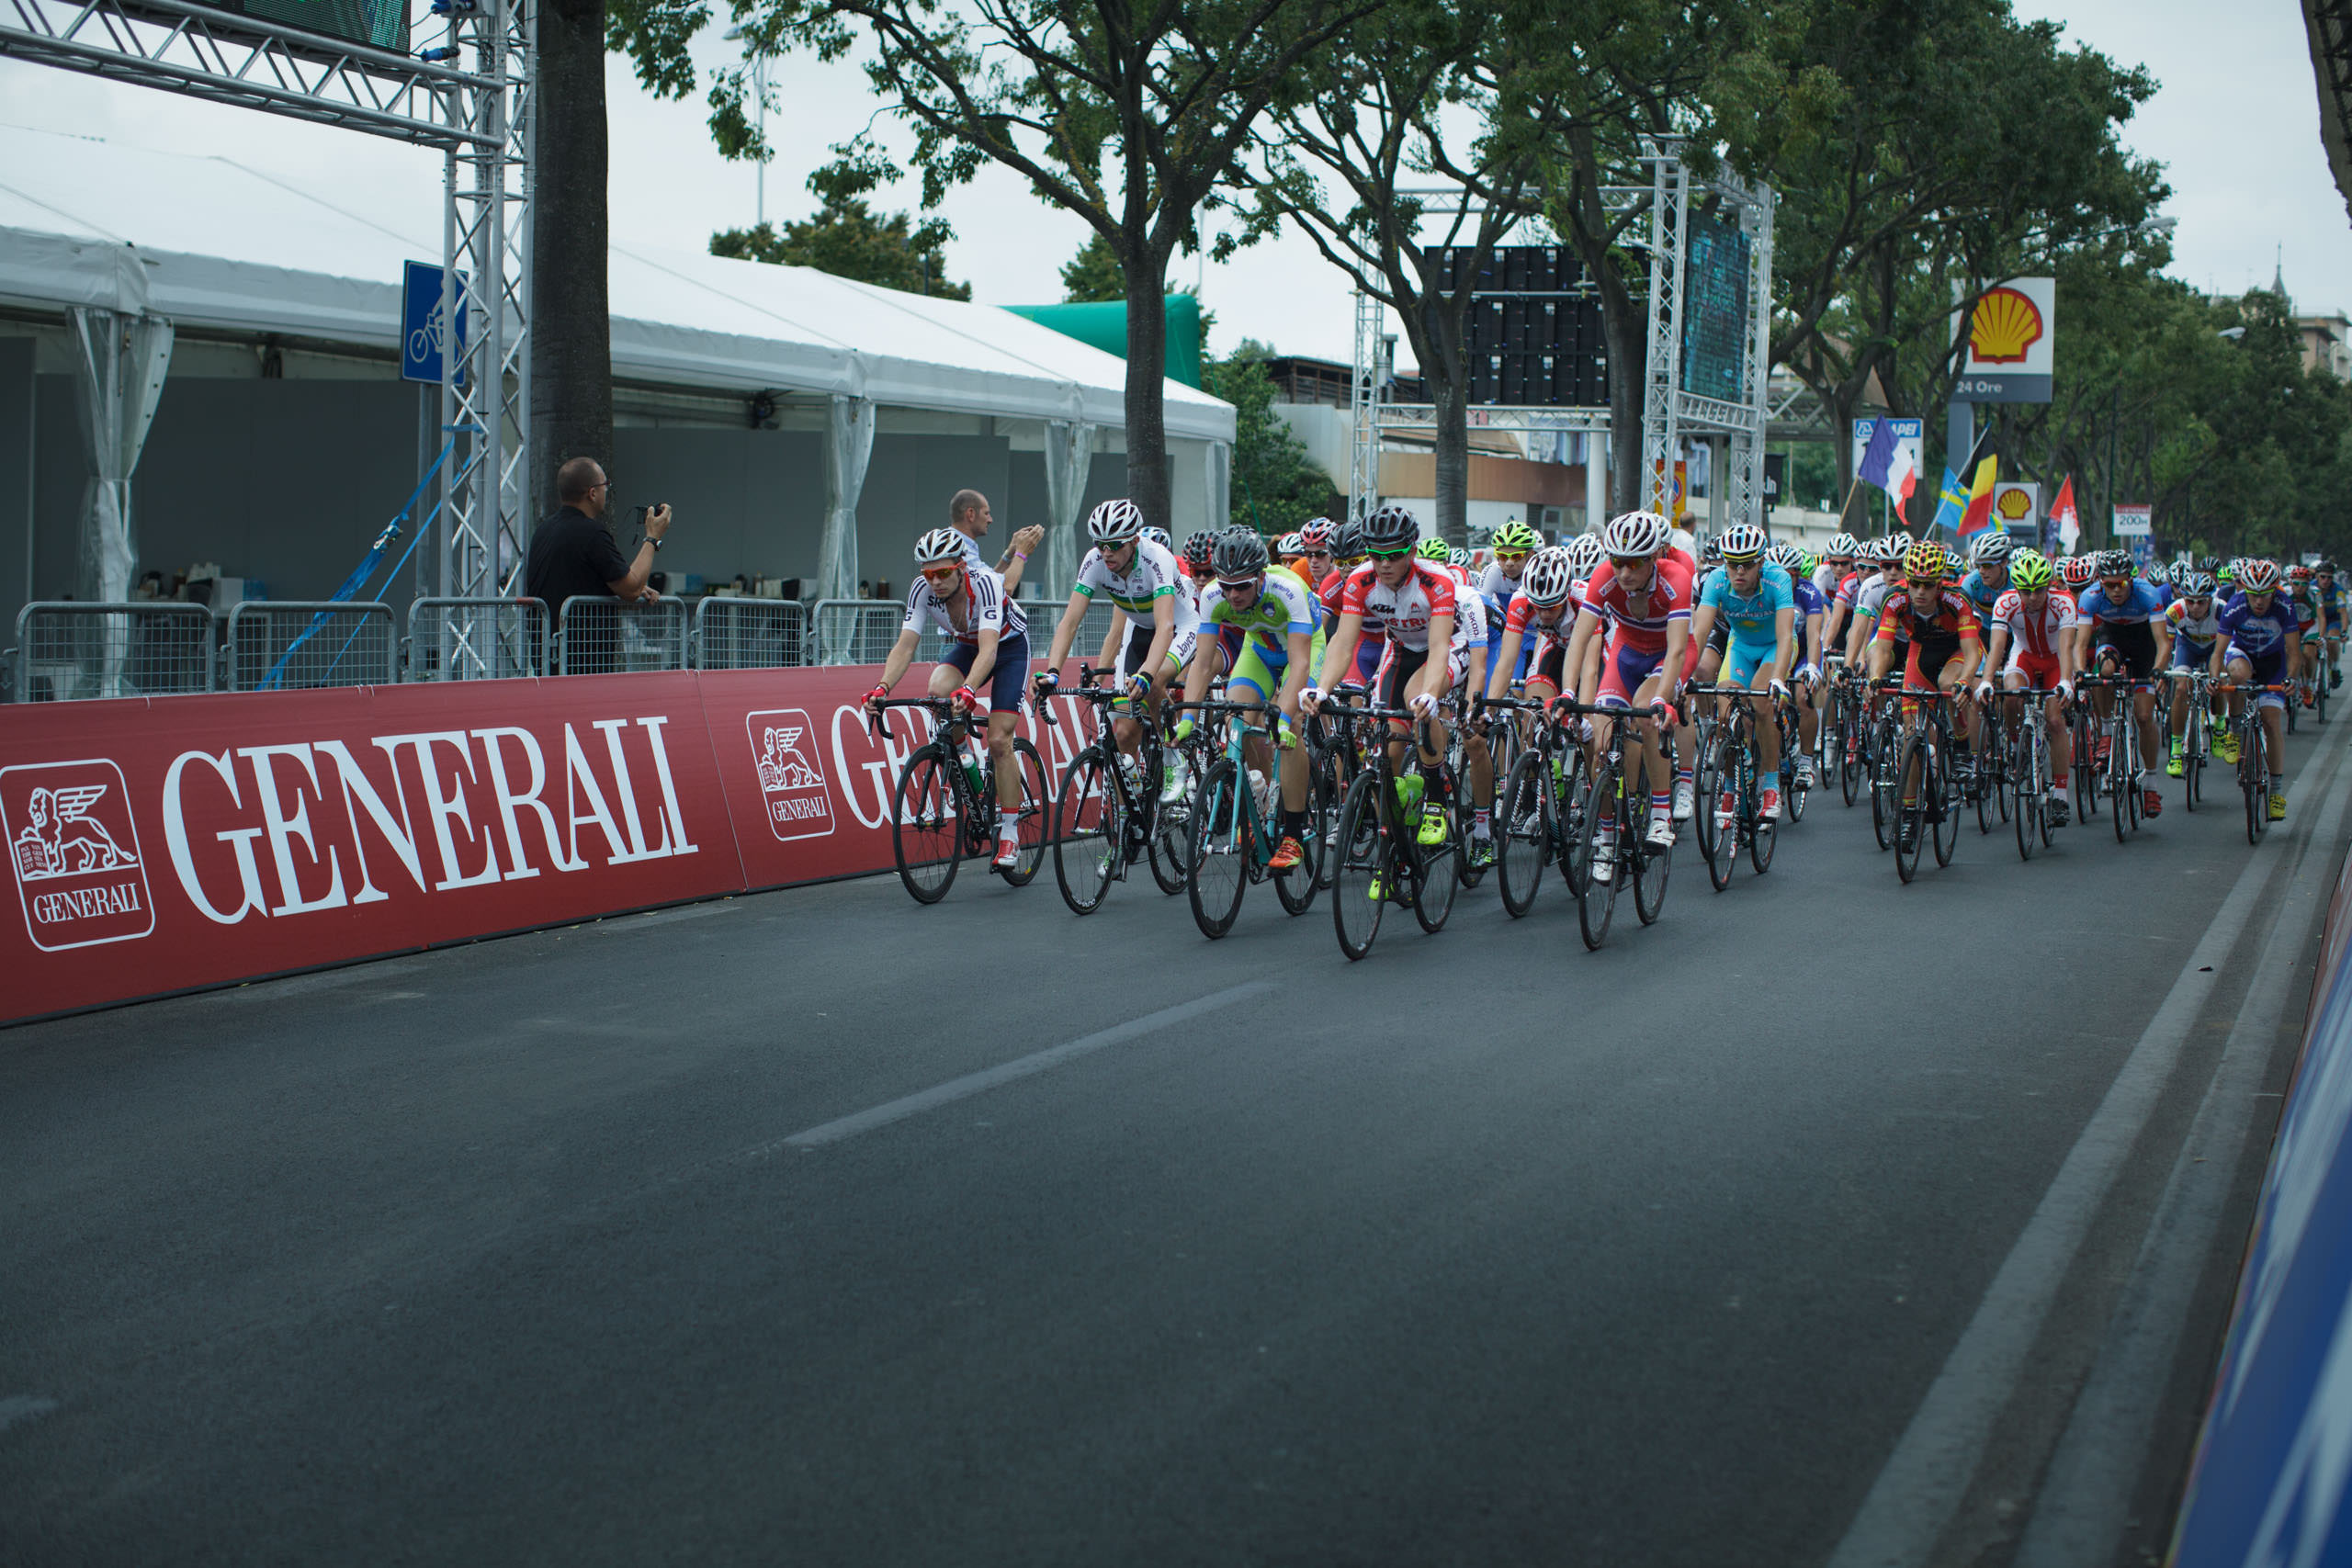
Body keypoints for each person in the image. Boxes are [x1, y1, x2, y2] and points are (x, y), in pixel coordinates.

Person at [865, 528, 1034, 870]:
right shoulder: (922, 590)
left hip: (1008, 648)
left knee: (999, 739)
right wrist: (882, 687)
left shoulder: (986, 584)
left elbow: (989, 651)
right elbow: (905, 646)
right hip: (969, 646)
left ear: (961, 567)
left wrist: (969, 689)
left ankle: (1010, 833)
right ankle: (967, 763)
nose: (936, 581)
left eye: (943, 572)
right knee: (938, 692)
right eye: (929, 574)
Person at [526, 457, 669, 675]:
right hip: (583, 661)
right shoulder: (592, 534)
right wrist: (652, 537)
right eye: (606, 485)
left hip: (546, 657)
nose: (607, 490)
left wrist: (627, 585)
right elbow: (631, 589)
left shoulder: (543, 531)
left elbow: (575, 578)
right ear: (592, 493)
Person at [947, 489, 1045, 595]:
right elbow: (1004, 589)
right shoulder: (958, 549)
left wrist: (1010, 554)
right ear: (971, 514)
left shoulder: (954, 542)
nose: (990, 520)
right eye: (986, 513)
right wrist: (1022, 552)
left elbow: (989, 580)